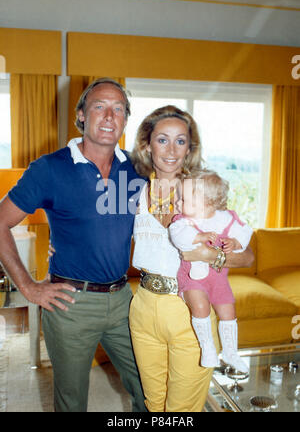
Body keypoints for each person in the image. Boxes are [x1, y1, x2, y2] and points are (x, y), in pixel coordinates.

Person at [0, 78, 147, 412]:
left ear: (125, 120)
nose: (110, 116)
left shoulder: (138, 169)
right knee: (71, 401)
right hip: (70, 305)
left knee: (149, 387)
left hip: (124, 299)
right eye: (100, 107)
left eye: (119, 109)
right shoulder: (49, 169)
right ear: (81, 115)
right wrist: (28, 288)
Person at [128, 105, 254, 412]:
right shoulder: (133, 191)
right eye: (162, 140)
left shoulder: (202, 192)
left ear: (190, 147)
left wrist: (210, 256)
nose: (171, 150)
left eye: (180, 141)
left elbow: (247, 255)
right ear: (147, 144)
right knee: (154, 404)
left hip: (188, 306)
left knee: (182, 410)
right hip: (143, 305)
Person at [169, 169, 252, 373]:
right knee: (199, 305)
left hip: (219, 279)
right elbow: (177, 235)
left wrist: (235, 242)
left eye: (183, 199)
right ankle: (208, 348)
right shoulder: (183, 221)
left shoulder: (226, 218)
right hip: (192, 279)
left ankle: (231, 352)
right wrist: (199, 237)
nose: (177, 203)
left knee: (228, 311)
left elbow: (244, 230)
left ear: (206, 203)